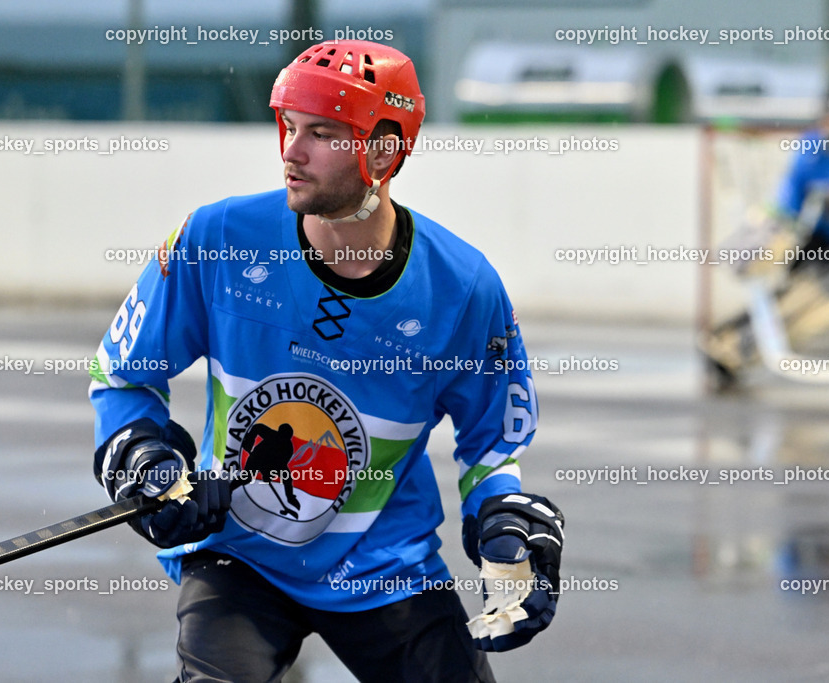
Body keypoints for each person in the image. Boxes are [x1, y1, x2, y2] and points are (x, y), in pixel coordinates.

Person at [89, 40, 564, 682]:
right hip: (239, 555)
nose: (291, 150)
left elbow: (492, 444)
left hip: (385, 566)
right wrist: (144, 457)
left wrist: (505, 525)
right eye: (288, 125)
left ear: (382, 151)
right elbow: (123, 372)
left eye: (320, 133)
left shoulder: (463, 288)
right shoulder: (218, 239)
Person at [702, 77, 829, 387]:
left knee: (822, 310)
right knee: (792, 299)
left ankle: (734, 348)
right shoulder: (813, 147)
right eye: (828, 116)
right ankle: (727, 347)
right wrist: (766, 231)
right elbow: (789, 202)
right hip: (820, 240)